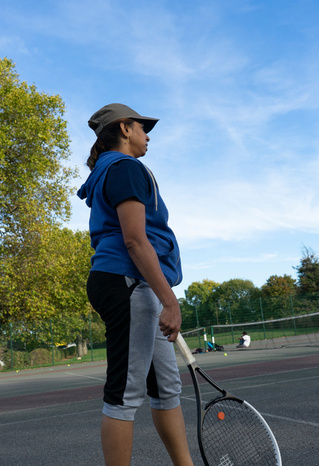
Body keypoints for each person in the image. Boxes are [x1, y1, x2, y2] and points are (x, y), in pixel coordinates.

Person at [77, 103, 193, 466]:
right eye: (144, 129)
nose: (148, 136)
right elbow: (135, 241)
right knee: (125, 395)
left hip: (133, 284)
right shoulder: (126, 167)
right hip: (127, 282)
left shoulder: (111, 170)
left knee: (166, 388)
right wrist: (169, 300)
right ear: (125, 128)